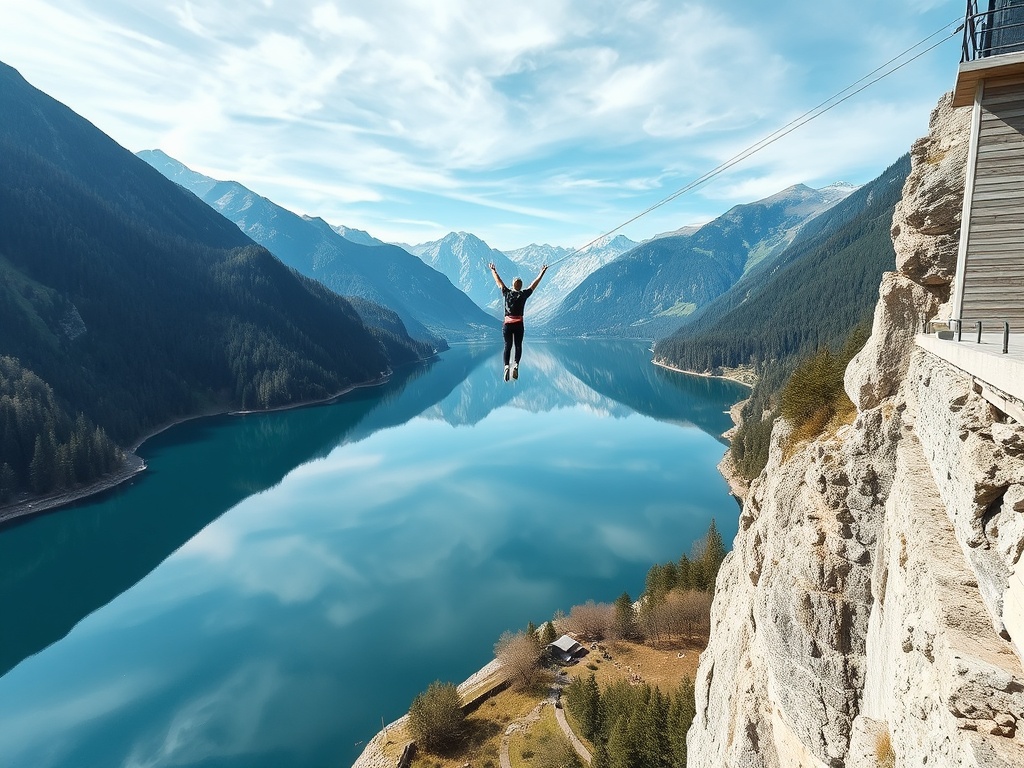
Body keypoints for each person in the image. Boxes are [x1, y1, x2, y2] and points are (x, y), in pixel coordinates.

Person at [488, 262, 547, 381]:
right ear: (520, 286)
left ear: (513, 285)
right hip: (519, 324)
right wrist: (542, 272)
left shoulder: (507, 292)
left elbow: (498, 282)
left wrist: (493, 270)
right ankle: (515, 365)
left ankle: (506, 367)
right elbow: (534, 284)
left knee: (507, 346)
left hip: (507, 325)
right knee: (518, 345)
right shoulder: (524, 294)